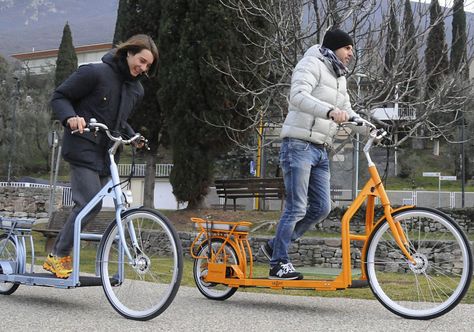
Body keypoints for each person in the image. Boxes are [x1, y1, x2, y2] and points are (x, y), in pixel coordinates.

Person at [43, 34, 159, 279]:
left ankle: (69, 255)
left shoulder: (136, 90)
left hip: (108, 155)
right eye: (141, 60)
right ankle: (57, 256)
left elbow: (118, 120)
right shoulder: (94, 73)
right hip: (83, 146)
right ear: (128, 53)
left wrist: (133, 135)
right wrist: (70, 117)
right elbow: (60, 96)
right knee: (89, 204)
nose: (143, 68)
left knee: (97, 206)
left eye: (148, 65)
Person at [260, 28, 362, 280]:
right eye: (348, 47)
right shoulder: (311, 64)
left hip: (320, 149)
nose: (351, 53)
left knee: (322, 208)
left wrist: (369, 129)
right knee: (296, 208)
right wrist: (329, 111)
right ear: (336, 46)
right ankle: (278, 263)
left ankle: (275, 246)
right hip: (298, 145)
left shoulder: (340, 77)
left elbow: (348, 112)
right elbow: (297, 97)